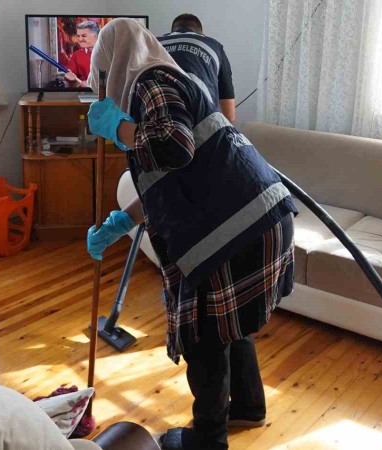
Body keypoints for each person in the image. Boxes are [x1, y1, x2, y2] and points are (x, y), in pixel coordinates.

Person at [85, 19, 298, 450]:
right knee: (228, 325)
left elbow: (173, 147)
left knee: (203, 338)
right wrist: (122, 221)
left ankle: (207, 441)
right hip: (261, 222)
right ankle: (248, 406)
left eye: (102, 77)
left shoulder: (152, 83)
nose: (102, 89)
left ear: (116, 63)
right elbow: (172, 175)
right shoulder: (168, 85)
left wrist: (117, 129)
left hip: (235, 232)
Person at [157, 14, 237, 122]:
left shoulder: (153, 43)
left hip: (159, 119)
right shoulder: (214, 45)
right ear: (202, 34)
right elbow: (229, 115)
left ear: (171, 33)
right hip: (201, 121)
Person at [64, 21, 99, 87]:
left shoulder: (109, 52)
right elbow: (71, 79)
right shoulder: (77, 55)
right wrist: (69, 77)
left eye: (84, 36)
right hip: (83, 92)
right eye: (78, 36)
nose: (80, 39)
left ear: (95, 36)